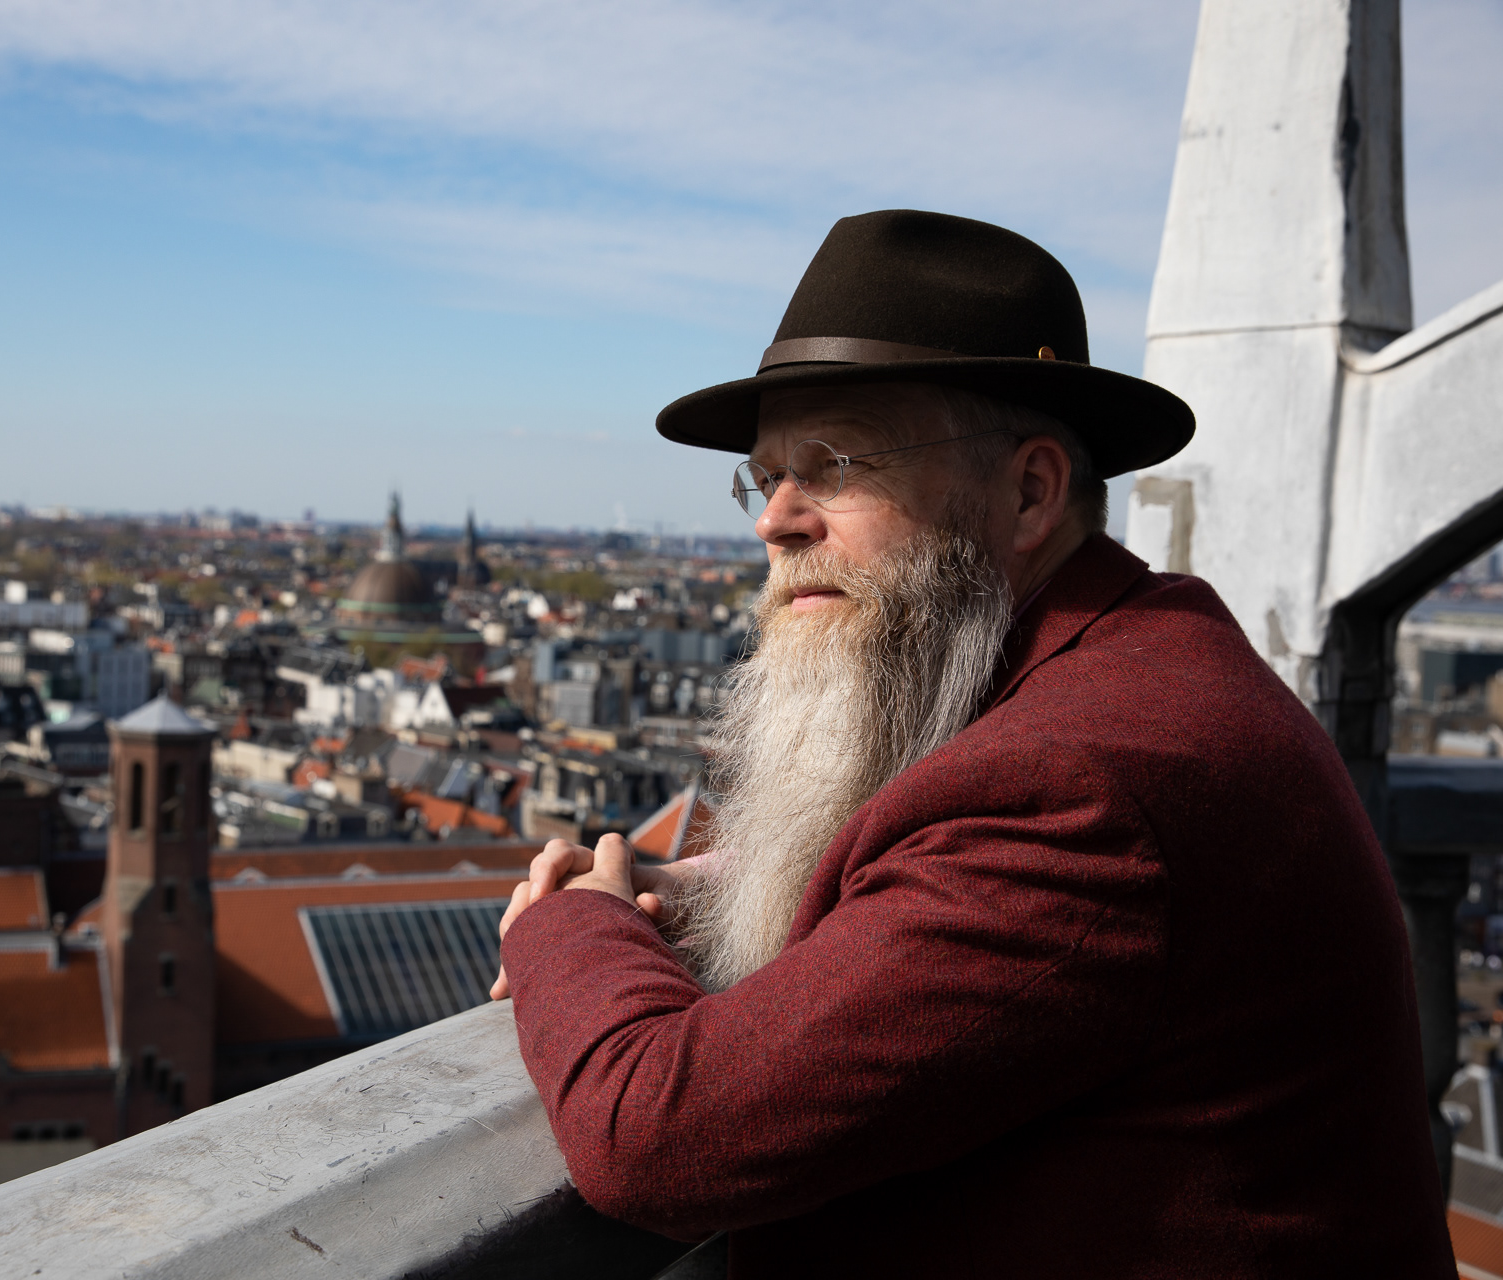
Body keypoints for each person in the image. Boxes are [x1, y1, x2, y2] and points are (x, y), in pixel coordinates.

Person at [489, 210, 1455, 1277]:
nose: (776, 519)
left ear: (1032, 490)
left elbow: (658, 1140)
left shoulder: (1076, 787)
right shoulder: (1134, 658)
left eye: (838, 462)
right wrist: (709, 897)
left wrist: (577, 922)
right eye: (765, 477)